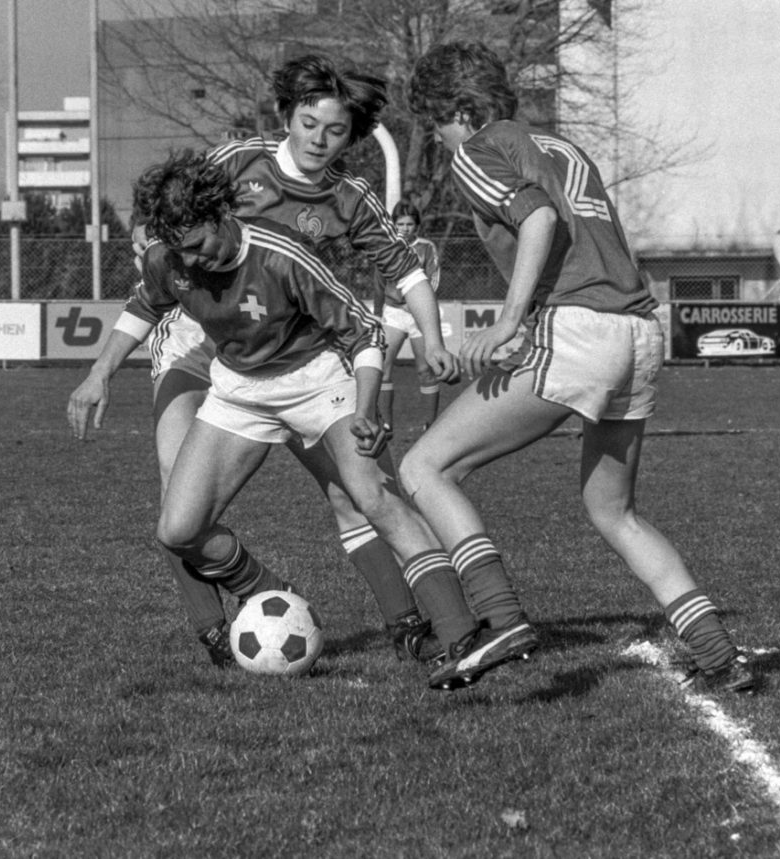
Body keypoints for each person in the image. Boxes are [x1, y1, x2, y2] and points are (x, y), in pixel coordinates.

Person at [70, 55, 482, 673]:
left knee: (360, 493)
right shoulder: (231, 168)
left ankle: (423, 625)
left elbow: (398, 282)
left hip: (305, 352)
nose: (318, 140)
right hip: (209, 345)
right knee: (176, 507)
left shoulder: (337, 209)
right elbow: (164, 226)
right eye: (308, 124)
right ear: (286, 116)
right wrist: (102, 363)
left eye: (335, 130)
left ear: (351, 136)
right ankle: (233, 615)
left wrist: (429, 338)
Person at [400, 42, 758, 693]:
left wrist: (509, 321)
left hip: (580, 329)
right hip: (637, 331)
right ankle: (718, 653)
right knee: (612, 510)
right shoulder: (563, 148)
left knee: (424, 467)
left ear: (459, 110)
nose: (438, 137)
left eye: (435, 123)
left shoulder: (477, 148)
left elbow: (537, 216)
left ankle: (501, 619)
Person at [377, 201, 443, 432]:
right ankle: (386, 424)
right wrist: (377, 315)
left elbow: (434, 279)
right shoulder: (386, 247)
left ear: (417, 226)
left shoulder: (426, 247)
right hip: (393, 313)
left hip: (419, 317)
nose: (405, 228)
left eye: (409, 224)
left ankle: (430, 425)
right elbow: (378, 282)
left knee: (425, 370)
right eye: (400, 224)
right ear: (393, 225)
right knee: (382, 367)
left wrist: (418, 304)